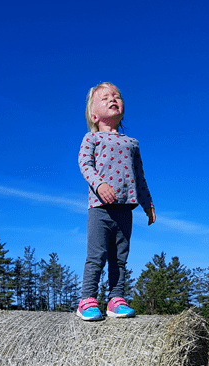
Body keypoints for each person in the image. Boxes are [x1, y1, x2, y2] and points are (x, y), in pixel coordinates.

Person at [77, 83, 156, 321]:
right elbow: (85, 164)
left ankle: (116, 298)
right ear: (93, 114)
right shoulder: (91, 138)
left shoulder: (132, 143)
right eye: (105, 98)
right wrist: (100, 185)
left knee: (120, 258)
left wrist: (148, 204)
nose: (113, 100)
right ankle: (87, 299)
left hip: (126, 209)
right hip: (100, 208)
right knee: (97, 255)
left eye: (117, 97)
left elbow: (140, 177)